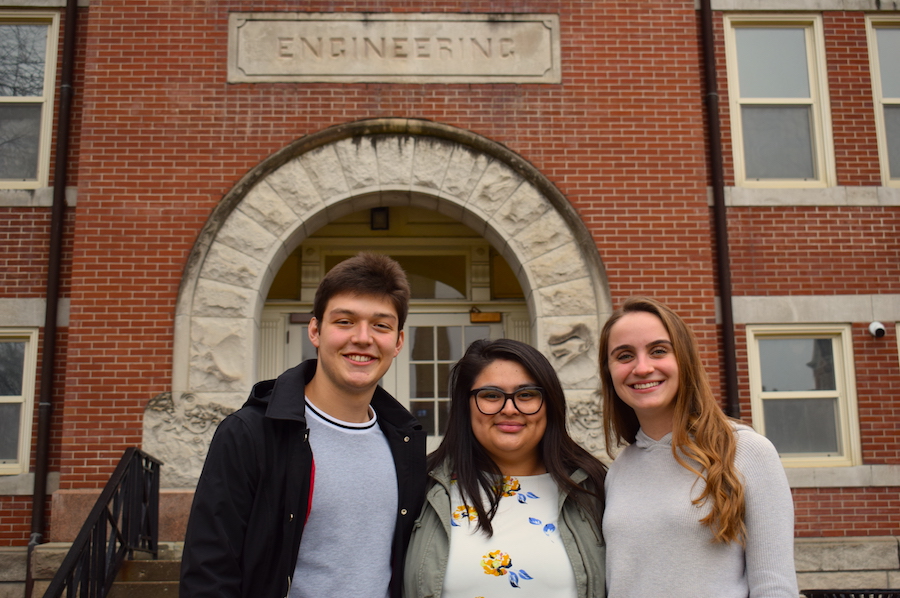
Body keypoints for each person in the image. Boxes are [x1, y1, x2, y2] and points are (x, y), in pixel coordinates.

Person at [180, 252, 427, 598]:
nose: (362, 338)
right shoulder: (250, 434)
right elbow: (209, 574)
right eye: (344, 321)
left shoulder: (406, 443)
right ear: (315, 330)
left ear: (398, 341)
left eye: (381, 325)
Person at [598, 296, 798, 598]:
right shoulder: (619, 469)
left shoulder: (747, 452)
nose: (642, 367)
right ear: (609, 372)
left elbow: (775, 587)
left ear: (685, 359)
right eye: (624, 356)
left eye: (659, 351)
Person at [404, 338, 607, 598]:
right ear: (465, 406)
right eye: (491, 395)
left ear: (550, 404)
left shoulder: (592, 488)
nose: (510, 409)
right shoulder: (421, 489)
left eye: (526, 395)